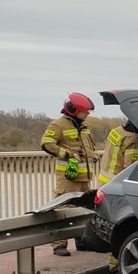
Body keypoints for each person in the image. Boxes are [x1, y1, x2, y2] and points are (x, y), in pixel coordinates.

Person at [41, 92, 97, 256]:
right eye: (84, 111)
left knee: (82, 209)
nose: (87, 114)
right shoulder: (58, 125)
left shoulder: (83, 127)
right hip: (68, 178)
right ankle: (59, 245)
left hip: (84, 178)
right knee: (63, 209)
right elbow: (46, 143)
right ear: (73, 110)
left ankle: (81, 240)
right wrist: (65, 153)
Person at [97, 120, 138, 270]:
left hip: (106, 184)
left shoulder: (117, 130)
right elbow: (133, 167)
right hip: (120, 188)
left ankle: (114, 264)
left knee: (112, 224)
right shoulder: (132, 139)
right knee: (122, 226)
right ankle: (116, 264)